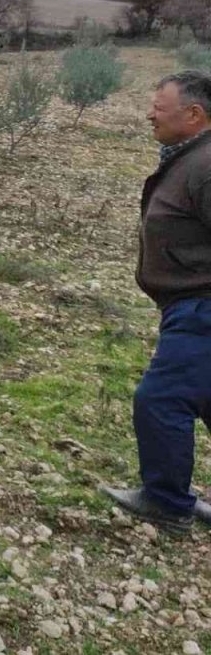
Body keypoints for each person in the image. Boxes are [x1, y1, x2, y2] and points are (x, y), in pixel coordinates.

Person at [100, 71, 211, 535]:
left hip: (201, 307)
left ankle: (166, 503)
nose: (149, 114)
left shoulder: (207, 165)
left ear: (193, 114)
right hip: (189, 305)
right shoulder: (192, 159)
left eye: (159, 108)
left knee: (161, 399)